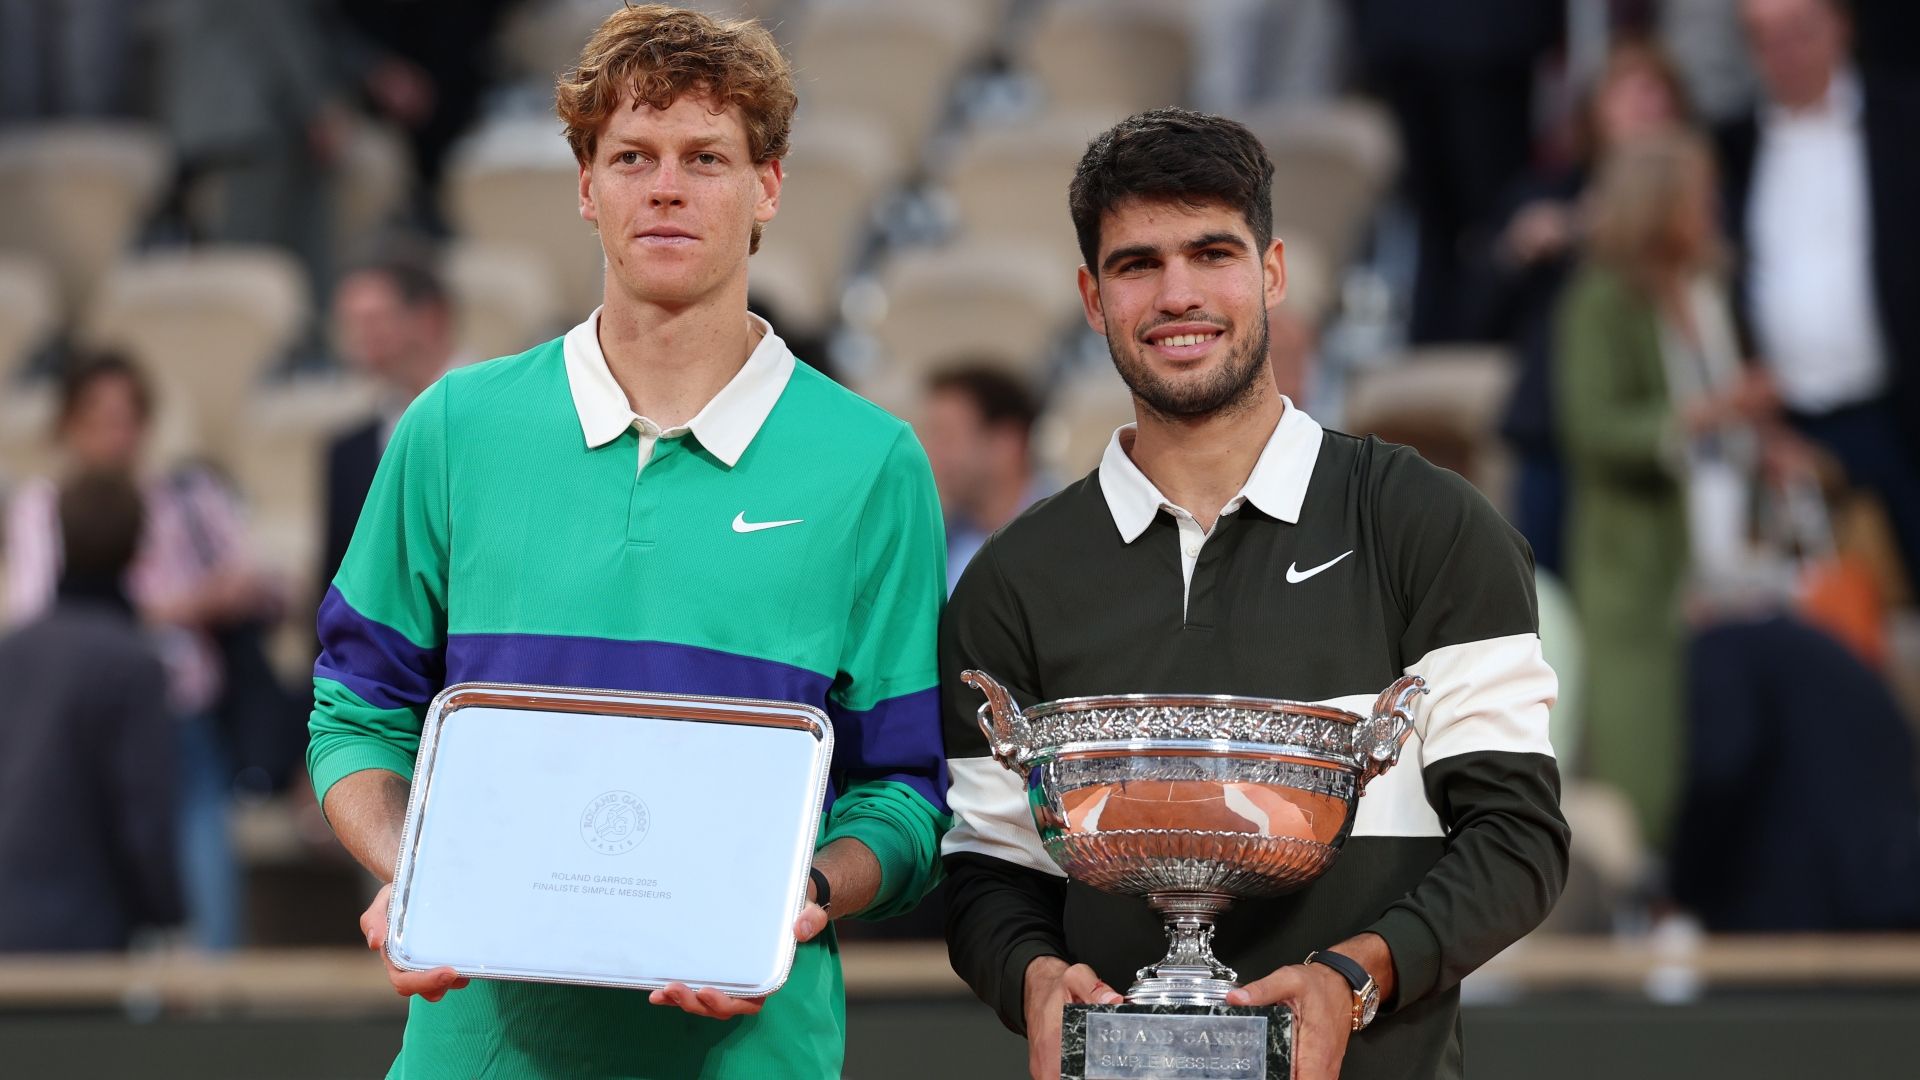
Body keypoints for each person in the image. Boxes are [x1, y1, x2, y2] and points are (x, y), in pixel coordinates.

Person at [308, 7, 949, 1077]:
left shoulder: (872, 464)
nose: (666, 187)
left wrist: (803, 896)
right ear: (585, 185)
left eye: (707, 158)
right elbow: (355, 714)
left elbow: (907, 792)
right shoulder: (453, 429)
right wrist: (414, 867)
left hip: (750, 1053)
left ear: (769, 188)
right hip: (477, 1051)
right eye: (631, 157)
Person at [942, 108, 1569, 1080]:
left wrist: (1354, 979)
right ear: (1090, 295)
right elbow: (990, 871)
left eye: (1212, 253)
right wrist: (1029, 975)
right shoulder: (1011, 582)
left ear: (1272, 272)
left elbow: (1518, 839)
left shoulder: (1430, 526)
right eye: (1137, 263)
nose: (1178, 294)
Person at [4, 353, 281, 950]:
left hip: (185, 714)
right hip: (81, 724)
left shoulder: (186, 494)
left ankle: (206, 1002)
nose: (117, 434)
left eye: (129, 418)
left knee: (203, 873)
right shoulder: (41, 507)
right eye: (100, 417)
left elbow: (258, 585)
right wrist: (179, 608)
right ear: (68, 424)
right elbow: (39, 612)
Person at [1554, 132, 1777, 852]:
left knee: (1730, 757)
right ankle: (1641, 916)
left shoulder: (1710, 288)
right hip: (1638, 567)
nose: (1713, 208)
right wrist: (1706, 415)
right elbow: (1591, 428)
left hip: (1732, 556)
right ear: (1659, 205)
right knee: (1643, 764)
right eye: (1698, 196)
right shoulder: (1601, 300)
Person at [1717, 0, 1920, 588]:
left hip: (1896, 414)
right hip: (1785, 430)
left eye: (1799, 32)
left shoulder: (1903, 124)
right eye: (1764, 39)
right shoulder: (1732, 146)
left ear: (1841, 27)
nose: (1784, 55)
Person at [1477, 38, 1695, 576]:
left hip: (1656, 432)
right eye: (1627, 93)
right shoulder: (1549, 193)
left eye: (1656, 93)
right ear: (1596, 113)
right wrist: (1518, 250)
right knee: (1546, 597)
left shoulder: (1694, 205)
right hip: (1553, 433)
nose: (1644, 108)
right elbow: (1477, 307)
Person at [0, 469, 180, 951]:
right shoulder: (131, 663)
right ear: (138, 547)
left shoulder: (12, 651)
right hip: (85, 929)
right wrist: (168, 912)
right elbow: (143, 811)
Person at [321, 253, 463, 589]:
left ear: (430, 318)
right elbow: (337, 584)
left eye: (375, 320)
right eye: (350, 323)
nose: (361, 339)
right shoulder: (348, 452)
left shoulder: (509, 418)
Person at [918, 365, 1049, 593]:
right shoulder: (940, 545)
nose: (930, 452)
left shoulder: (1072, 534)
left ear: (1007, 443)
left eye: (947, 436)